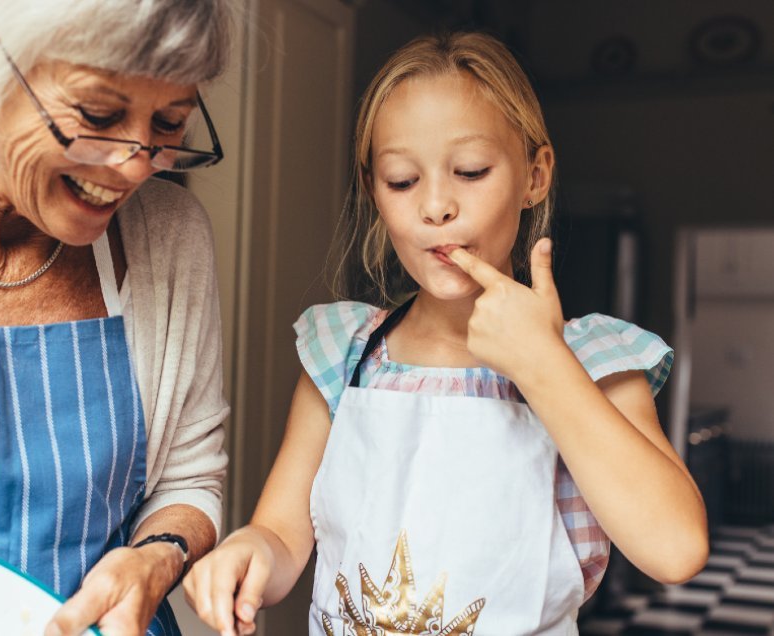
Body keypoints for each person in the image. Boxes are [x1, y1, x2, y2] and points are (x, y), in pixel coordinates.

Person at [184, 32, 709, 635]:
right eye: (402, 180)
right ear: (374, 193)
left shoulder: (594, 361)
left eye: (470, 171)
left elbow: (675, 550)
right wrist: (248, 552)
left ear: (534, 175)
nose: (435, 206)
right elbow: (280, 535)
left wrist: (544, 364)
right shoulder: (343, 354)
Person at [0, 1, 232, 634]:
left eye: (169, 123)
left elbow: (190, 477)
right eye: (99, 114)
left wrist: (154, 558)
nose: (135, 164)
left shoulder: (171, 240)